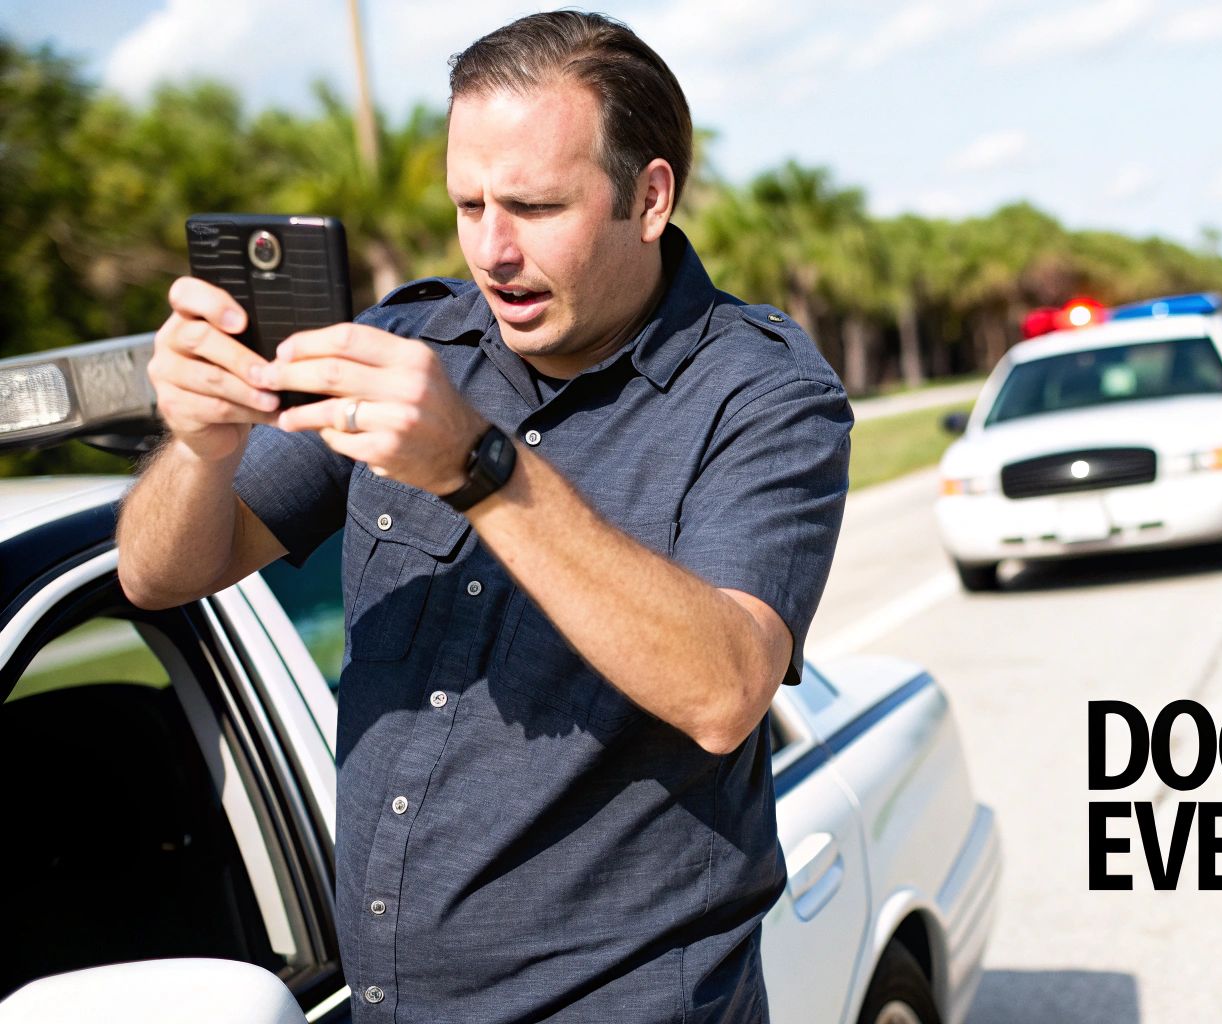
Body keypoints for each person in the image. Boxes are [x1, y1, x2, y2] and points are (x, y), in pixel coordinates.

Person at [115, 12, 851, 1022]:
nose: (493, 251)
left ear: (648, 196)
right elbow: (158, 576)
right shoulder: (406, 338)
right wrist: (202, 442)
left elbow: (725, 688)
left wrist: (478, 467)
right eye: (469, 205)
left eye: (536, 206)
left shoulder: (761, 393)